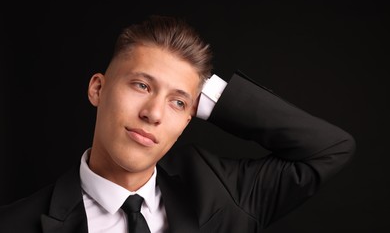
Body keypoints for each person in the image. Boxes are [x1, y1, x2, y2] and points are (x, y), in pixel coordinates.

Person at [0, 15, 355, 233]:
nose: (154, 113)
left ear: (191, 116)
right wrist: (180, 93)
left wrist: (210, 93)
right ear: (98, 88)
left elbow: (330, 149)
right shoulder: (14, 224)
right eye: (141, 85)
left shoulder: (223, 195)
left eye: (178, 102)